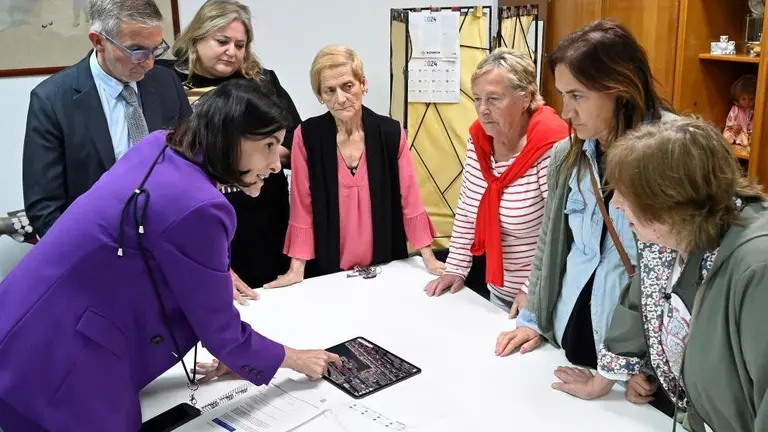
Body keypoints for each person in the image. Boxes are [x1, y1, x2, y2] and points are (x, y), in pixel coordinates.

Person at [0, 80, 341, 432]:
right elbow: (221, 330)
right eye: (268, 146)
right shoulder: (201, 207)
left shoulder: (158, 145)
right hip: (58, 362)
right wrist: (296, 359)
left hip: (21, 321)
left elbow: (151, 244)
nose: (274, 164)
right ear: (229, 137)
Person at [494, 19, 678, 413]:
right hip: (570, 339)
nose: (566, 112)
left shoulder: (672, 151)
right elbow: (552, 243)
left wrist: (636, 364)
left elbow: (677, 270)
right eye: (562, 95)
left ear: (619, 87)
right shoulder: (569, 154)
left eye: (576, 95)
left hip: (638, 362)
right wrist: (534, 318)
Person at [551, 118, 768, 432]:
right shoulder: (668, 235)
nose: (618, 204)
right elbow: (642, 302)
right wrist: (606, 378)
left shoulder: (756, 269)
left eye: (628, 194)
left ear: (672, 200)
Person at [157, 0, 301, 303]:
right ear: (197, 37)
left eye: (240, 44)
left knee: (264, 301)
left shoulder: (262, 81)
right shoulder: (165, 80)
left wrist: (252, 158)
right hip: (199, 215)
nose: (231, 51)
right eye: (222, 41)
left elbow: (293, 143)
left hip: (262, 214)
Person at [266, 45, 443, 287]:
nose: (340, 99)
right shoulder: (307, 136)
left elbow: (410, 199)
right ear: (319, 95)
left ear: (363, 84)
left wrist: (429, 259)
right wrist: (296, 270)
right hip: (329, 266)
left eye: (348, 86)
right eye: (329, 90)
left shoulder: (390, 133)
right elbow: (301, 206)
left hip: (386, 263)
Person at [23, 0, 192, 237]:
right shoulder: (52, 100)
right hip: (96, 243)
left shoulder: (167, 83)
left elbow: (192, 162)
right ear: (98, 41)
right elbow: (44, 206)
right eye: (137, 51)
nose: (149, 63)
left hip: (169, 235)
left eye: (156, 49)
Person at [423, 48, 568, 313]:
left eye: (494, 99)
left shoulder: (552, 148)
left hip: (546, 296)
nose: (482, 109)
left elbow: (560, 234)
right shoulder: (479, 141)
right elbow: (469, 211)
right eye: (477, 98)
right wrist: (455, 268)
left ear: (525, 98)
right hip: (498, 288)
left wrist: (531, 289)